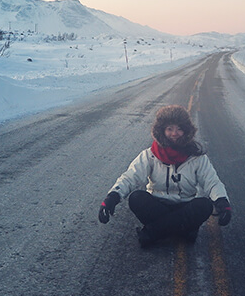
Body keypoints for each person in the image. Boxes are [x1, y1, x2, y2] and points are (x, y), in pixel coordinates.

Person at [99, 105, 232, 247]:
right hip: (157, 205)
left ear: (186, 130)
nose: (174, 133)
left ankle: (152, 233)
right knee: (136, 198)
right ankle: (184, 229)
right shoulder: (149, 155)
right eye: (169, 129)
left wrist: (222, 202)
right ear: (162, 131)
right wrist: (112, 197)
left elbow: (212, 182)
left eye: (179, 128)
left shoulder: (197, 157)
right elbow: (130, 177)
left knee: (204, 205)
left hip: (185, 205)